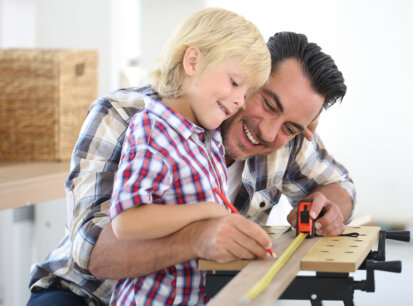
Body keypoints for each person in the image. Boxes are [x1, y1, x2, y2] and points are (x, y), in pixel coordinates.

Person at [28, 31, 355, 305]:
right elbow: (93, 254)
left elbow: (341, 187)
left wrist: (327, 206)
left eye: (290, 127)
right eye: (268, 105)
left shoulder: (286, 139)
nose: (269, 133)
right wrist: (197, 239)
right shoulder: (125, 115)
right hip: (86, 294)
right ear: (248, 76)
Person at [107, 8, 270, 305]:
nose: (239, 101)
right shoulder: (153, 128)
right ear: (192, 61)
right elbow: (126, 220)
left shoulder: (207, 137)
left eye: (245, 93)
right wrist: (207, 211)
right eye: (235, 83)